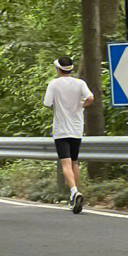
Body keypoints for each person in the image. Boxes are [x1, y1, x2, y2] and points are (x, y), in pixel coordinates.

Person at [43, 56, 94, 214]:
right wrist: (81, 106)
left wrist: (58, 106)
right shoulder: (80, 83)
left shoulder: (54, 84)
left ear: (58, 69)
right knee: (74, 162)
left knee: (65, 163)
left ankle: (73, 192)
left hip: (61, 130)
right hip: (77, 128)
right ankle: (75, 193)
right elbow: (91, 97)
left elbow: (47, 103)